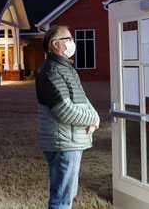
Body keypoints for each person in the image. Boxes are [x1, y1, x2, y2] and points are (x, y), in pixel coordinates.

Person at [36, 25, 101, 209]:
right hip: (64, 142)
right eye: (69, 39)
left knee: (67, 194)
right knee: (62, 199)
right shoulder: (52, 72)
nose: (73, 43)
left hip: (70, 139)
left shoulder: (65, 69)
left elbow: (82, 99)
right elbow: (64, 110)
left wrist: (94, 116)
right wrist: (92, 120)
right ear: (56, 44)